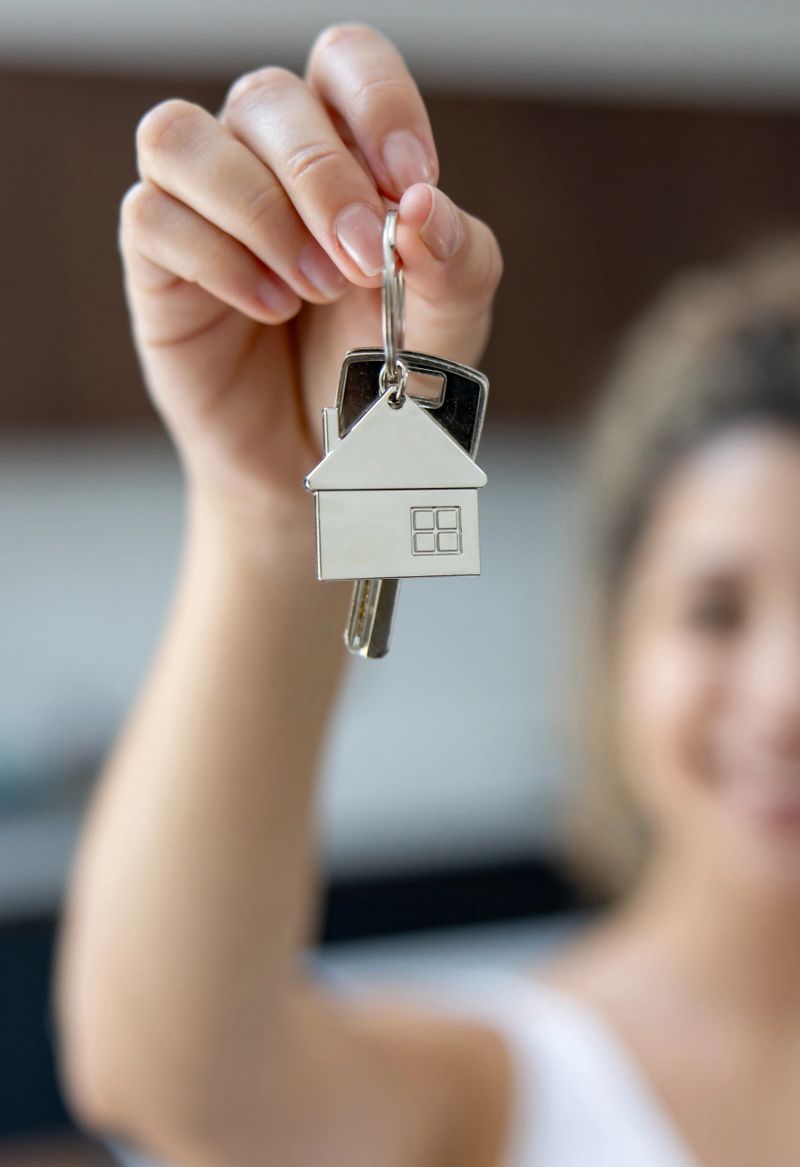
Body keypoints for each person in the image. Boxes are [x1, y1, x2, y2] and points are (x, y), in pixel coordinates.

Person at [51, 21, 800, 1167]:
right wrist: (273, 520)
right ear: (615, 639)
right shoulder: (497, 1076)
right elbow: (177, 1087)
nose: (785, 693)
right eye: (713, 609)